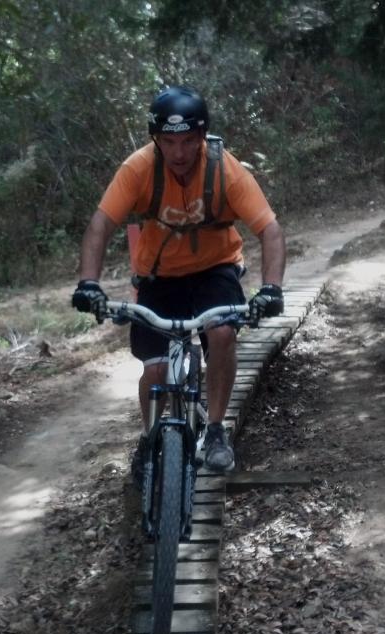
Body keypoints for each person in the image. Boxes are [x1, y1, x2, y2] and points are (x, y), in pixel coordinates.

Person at [71, 85, 286, 476]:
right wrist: (89, 282)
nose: (180, 152)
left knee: (222, 336)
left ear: (202, 137)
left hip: (215, 269)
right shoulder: (138, 169)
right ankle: (149, 438)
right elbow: (100, 225)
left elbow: (269, 230)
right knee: (154, 370)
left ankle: (216, 429)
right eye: (169, 142)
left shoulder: (225, 169)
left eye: (189, 141)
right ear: (156, 140)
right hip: (159, 276)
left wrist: (271, 288)